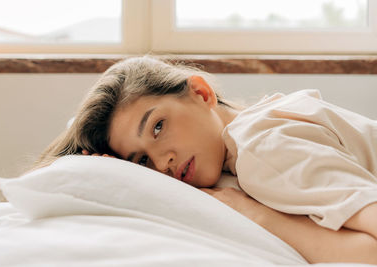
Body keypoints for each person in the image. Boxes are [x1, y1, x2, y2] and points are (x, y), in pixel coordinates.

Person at [35, 56, 377, 264]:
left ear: (201, 92)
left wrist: (252, 212)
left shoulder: (263, 149)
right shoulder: (264, 120)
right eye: (141, 162)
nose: (163, 162)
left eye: (157, 127)